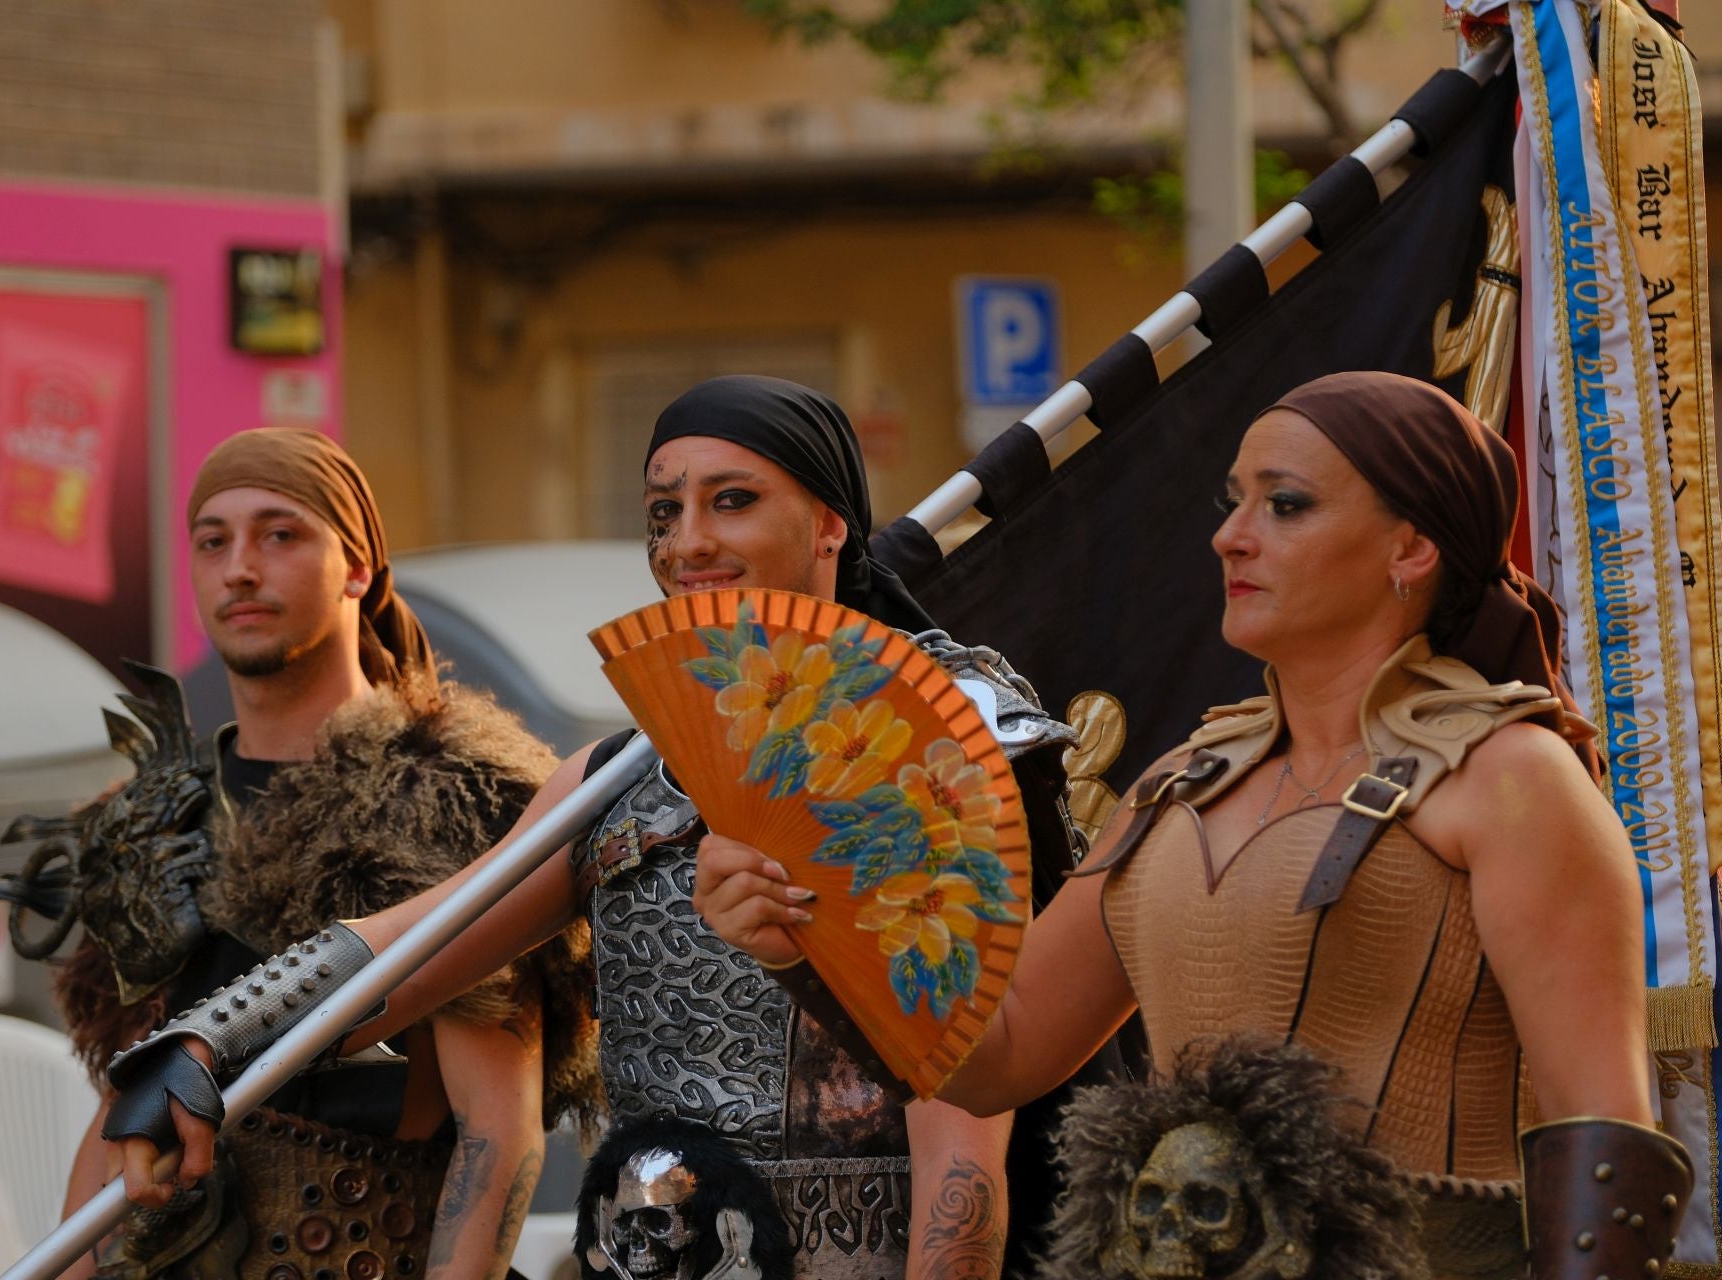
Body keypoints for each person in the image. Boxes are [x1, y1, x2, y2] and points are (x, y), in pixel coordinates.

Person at [695, 371, 1692, 1278]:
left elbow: (1606, 1139)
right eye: (1234, 500)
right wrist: (805, 937)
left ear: (1412, 546)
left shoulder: (1514, 777)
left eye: (1285, 504)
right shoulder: (1176, 786)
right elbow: (994, 1054)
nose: (1230, 534)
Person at [99, 377, 1087, 1280]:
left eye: (732, 499)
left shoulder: (912, 746)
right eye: (664, 510)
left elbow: (965, 1143)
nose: (687, 539)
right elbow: (411, 949)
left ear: (831, 525)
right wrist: (203, 1043)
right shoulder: (616, 775)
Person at [0, 428, 600, 1280]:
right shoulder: (161, 812)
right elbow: (130, 1101)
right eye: (213, 540)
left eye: (280, 534)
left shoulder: (441, 794)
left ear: (357, 567)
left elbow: (497, 1128)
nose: (240, 567)